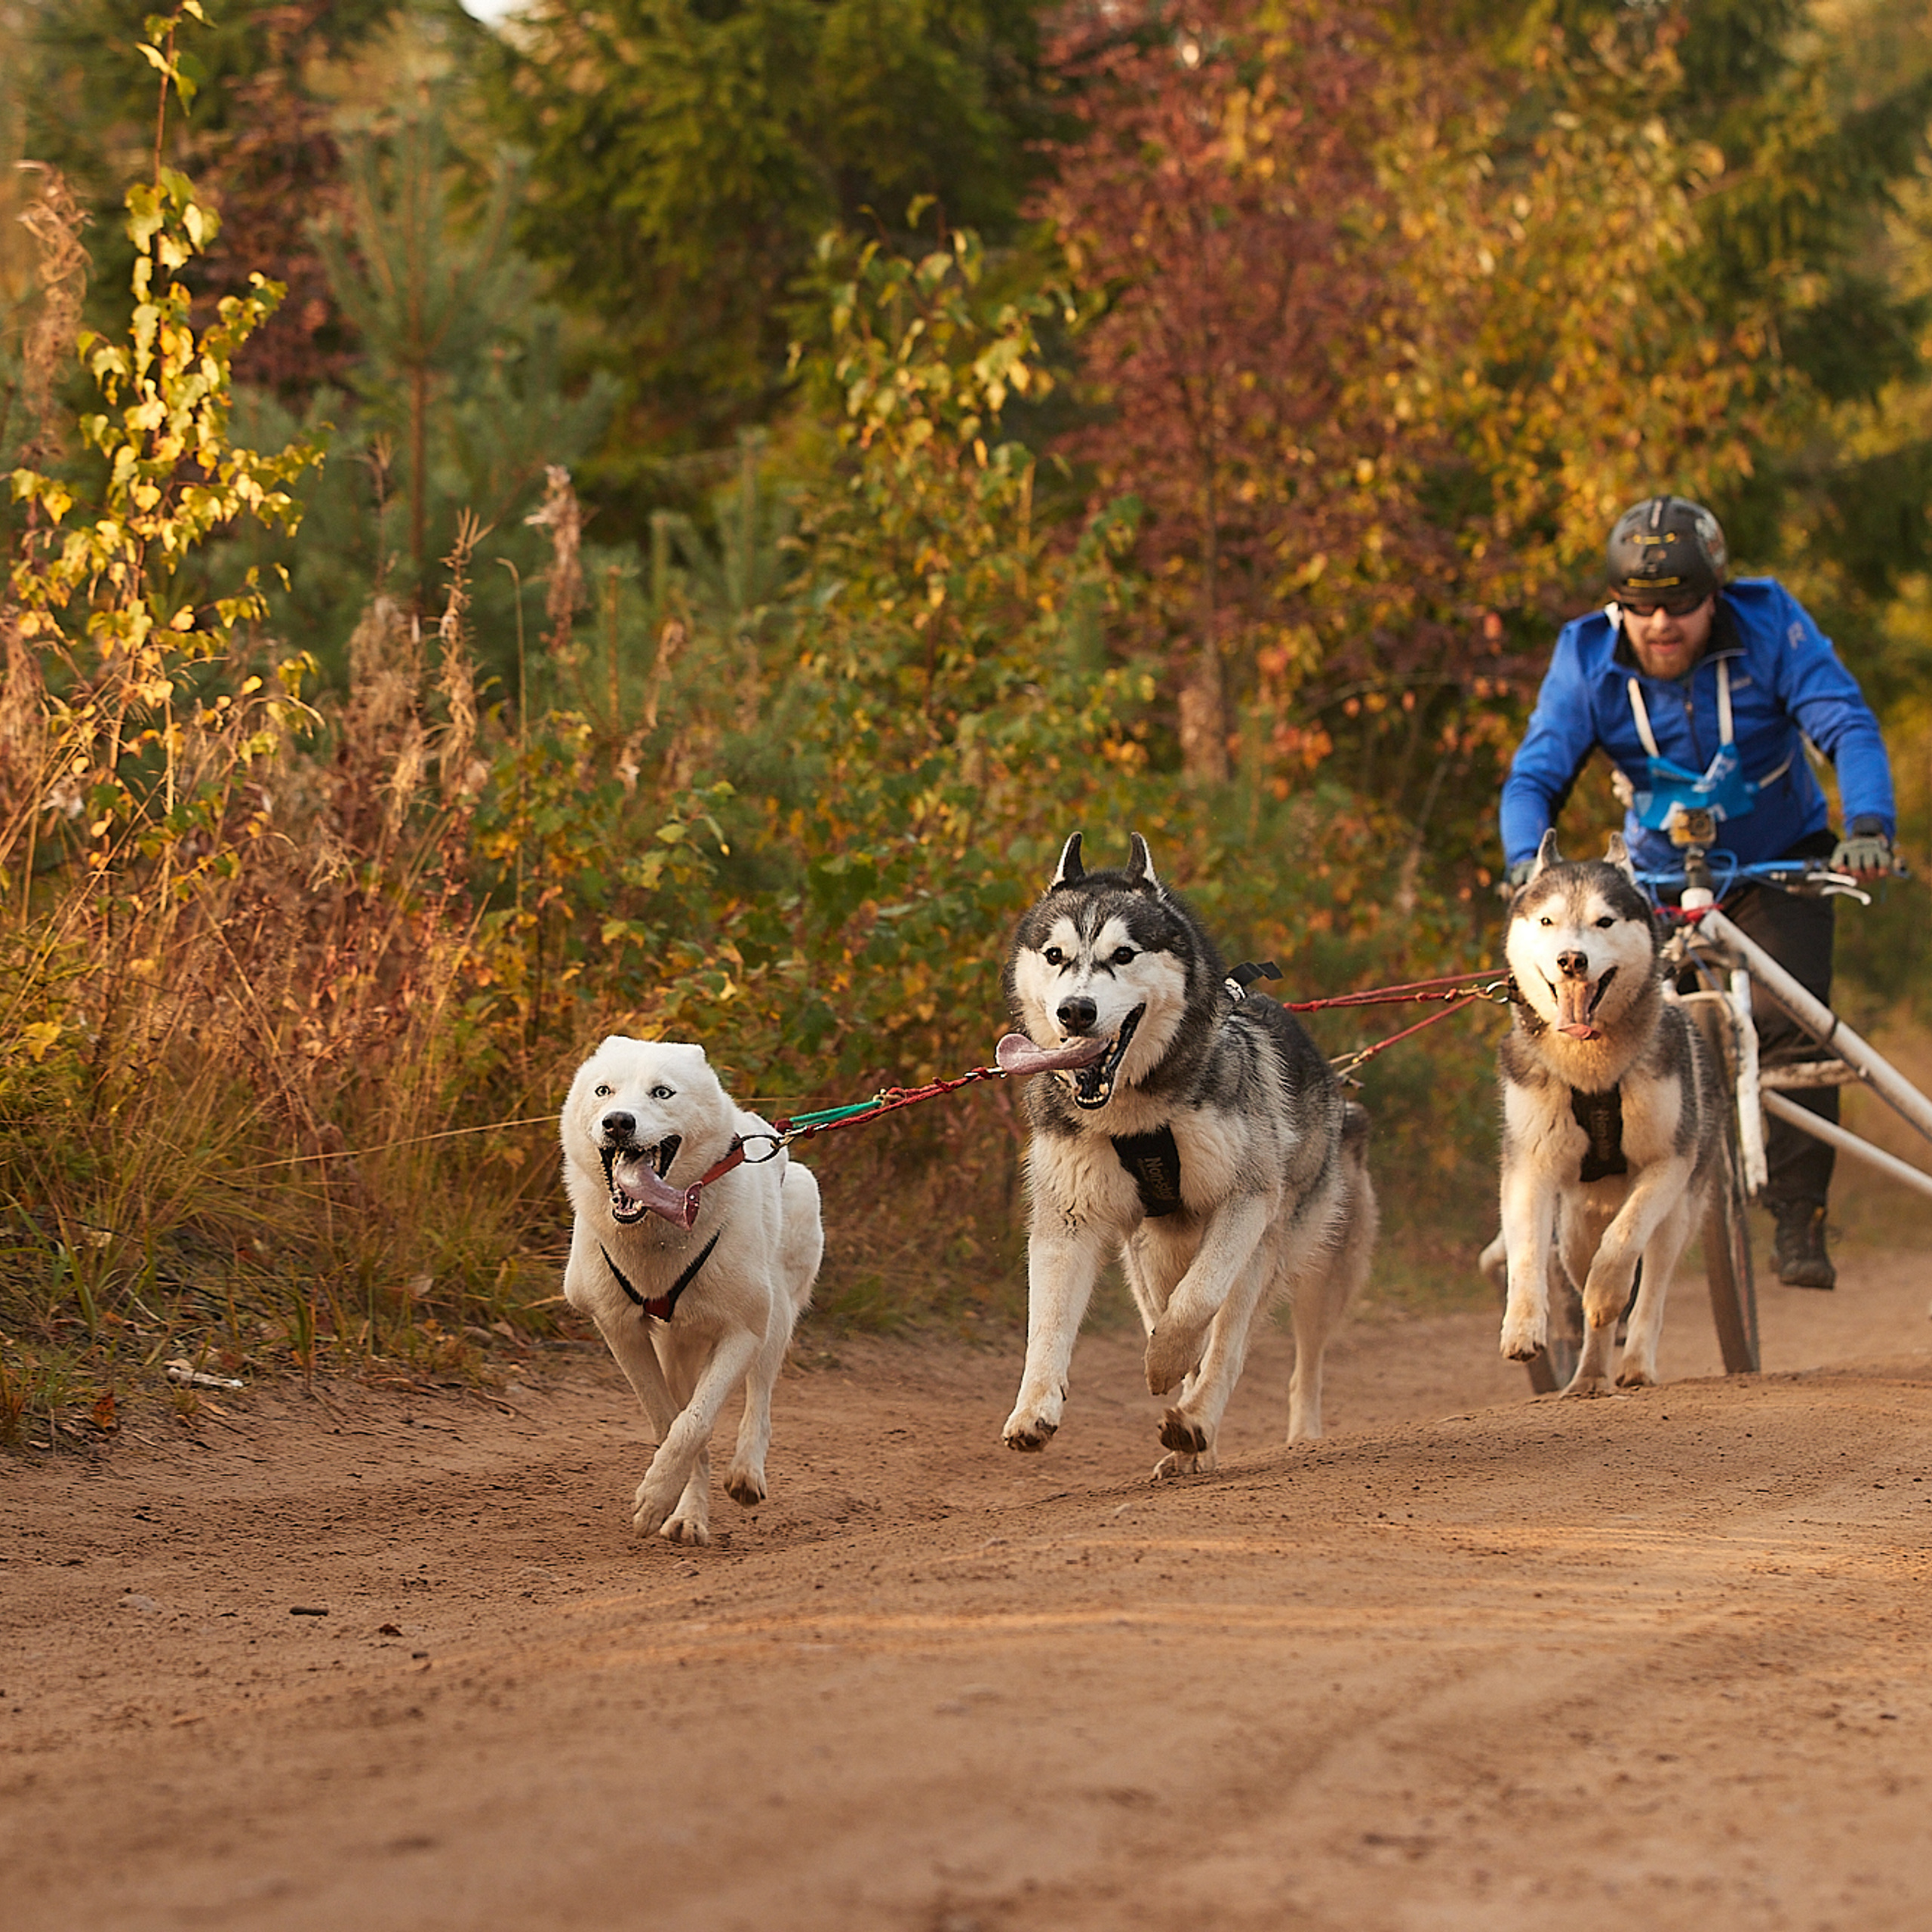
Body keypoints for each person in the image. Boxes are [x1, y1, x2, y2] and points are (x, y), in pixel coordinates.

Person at [1499, 494, 1897, 1290]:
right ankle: (1599, 1191)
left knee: (1793, 1028)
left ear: (1715, 592)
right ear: (1618, 607)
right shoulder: (1584, 655)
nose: (1660, 625)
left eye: (1680, 604)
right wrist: (1522, 863)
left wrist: (1869, 827)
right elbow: (1534, 775)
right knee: (1619, 1034)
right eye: (1639, 608)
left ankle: (1797, 1215)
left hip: (1777, 859)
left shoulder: (1770, 623)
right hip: (1648, 882)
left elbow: (1844, 724)